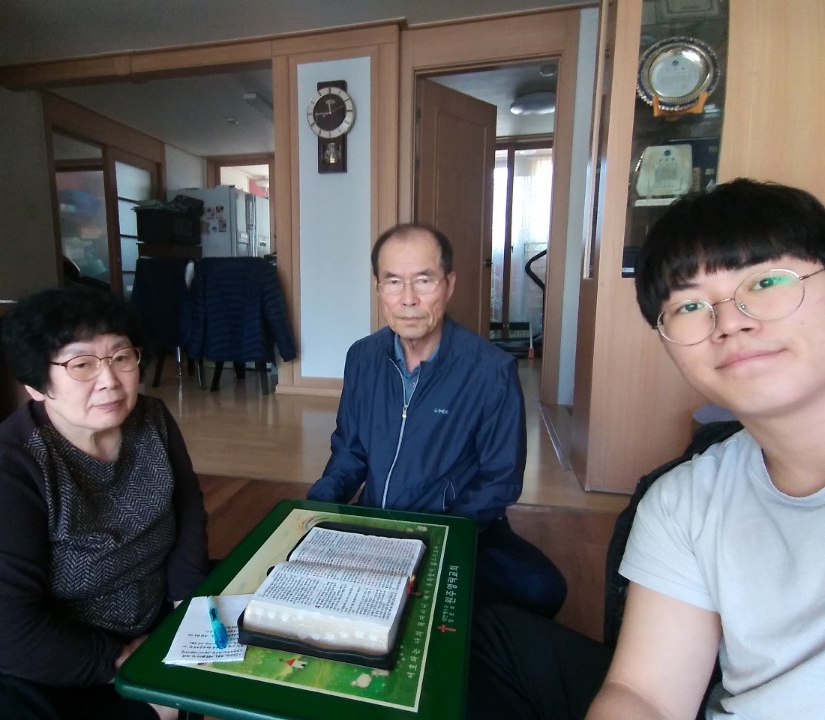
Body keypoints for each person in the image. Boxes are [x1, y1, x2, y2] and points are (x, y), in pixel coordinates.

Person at [467, 178, 825, 719]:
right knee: (484, 634)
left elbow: (498, 481)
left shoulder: (488, 367)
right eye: (690, 305)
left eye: (766, 281)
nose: (730, 321)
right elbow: (646, 695)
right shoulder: (682, 499)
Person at [0, 285, 208, 720]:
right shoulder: (2, 466)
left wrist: (184, 617)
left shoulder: (152, 419)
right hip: (27, 641)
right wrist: (124, 665)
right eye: (81, 365)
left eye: (121, 357)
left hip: (143, 606)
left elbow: (187, 512)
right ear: (36, 385)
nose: (110, 380)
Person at [307, 223, 567, 618]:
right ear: (378, 288)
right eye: (393, 281)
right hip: (376, 519)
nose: (408, 299)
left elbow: (499, 481)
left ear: (448, 285)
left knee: (543, 588)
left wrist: (431, 536)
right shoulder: (362, 357)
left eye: (423, 280)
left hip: (457, 526)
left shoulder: (490, 370)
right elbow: (350, 452)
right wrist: (316, 507)